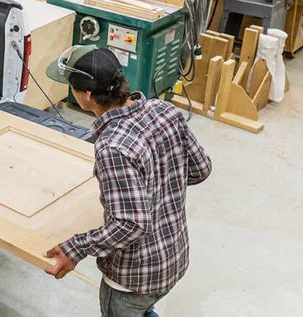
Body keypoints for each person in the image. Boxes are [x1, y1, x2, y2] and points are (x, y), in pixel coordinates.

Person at [42, 46, 212, 317]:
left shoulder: (112, 147)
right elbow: (201, 168)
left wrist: (75, 247)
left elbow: (131, 224)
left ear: (85, 95)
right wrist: (159, 184)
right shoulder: (163, 110)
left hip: (133, 280)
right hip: (173, 257)